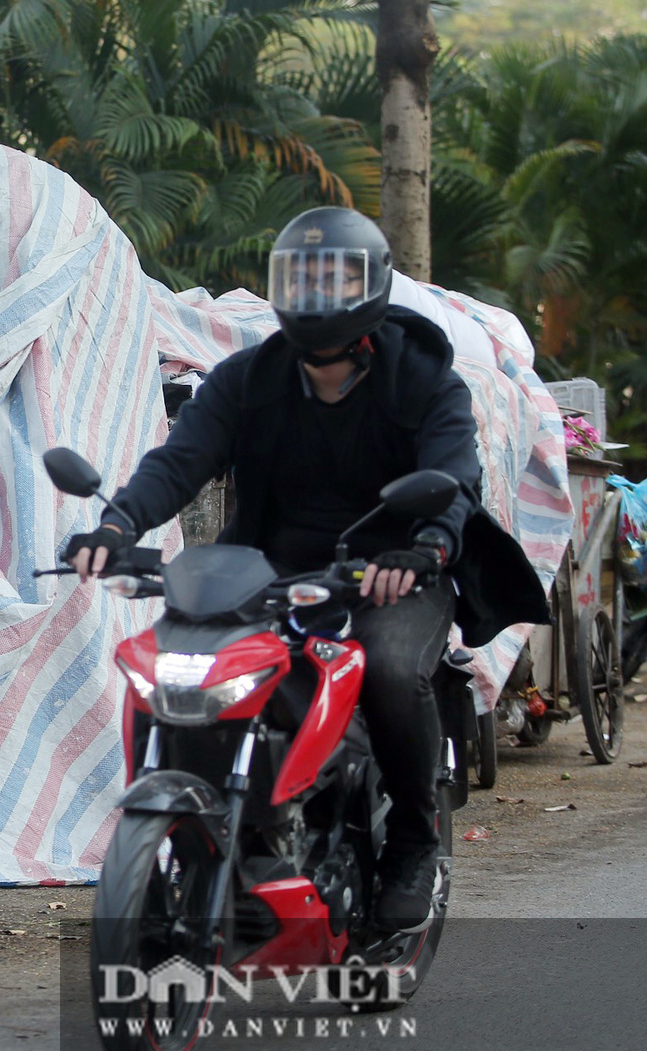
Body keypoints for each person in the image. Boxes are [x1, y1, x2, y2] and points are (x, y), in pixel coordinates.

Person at [64, 207, 548, 932]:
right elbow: (180, 460)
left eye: (336, 279)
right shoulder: (246, 380)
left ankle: (414, 845)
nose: (317, 296)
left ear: (372, 288)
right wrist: (117, 522)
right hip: (271, 572)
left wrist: (423, 550)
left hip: (395, 575)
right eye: (303, 280)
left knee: (387, 665)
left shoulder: (425, 382)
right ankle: (230, 827)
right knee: (189, 661)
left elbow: (453, 481)